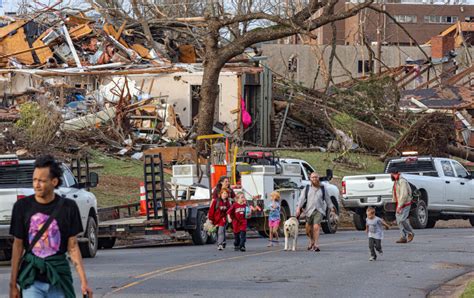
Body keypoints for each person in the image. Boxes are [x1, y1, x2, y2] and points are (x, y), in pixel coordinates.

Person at [9, 155, 93, 298]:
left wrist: (84, 282)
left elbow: (72, 247)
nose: (36, 185)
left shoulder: (68, 207)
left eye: (41, 181)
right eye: (34, 180)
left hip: (58, 278)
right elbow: (18, 246)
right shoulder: (22, 207)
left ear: (54, 182)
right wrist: (12, 285)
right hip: (31, 279)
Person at [296, 172, 336, 252]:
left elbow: (328, 199)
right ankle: (311, 240)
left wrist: (331, 207)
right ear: (310, 179)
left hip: (319, 210)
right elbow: (301, 199)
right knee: (308, 229)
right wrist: (298, 208)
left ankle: (316, 244)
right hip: (308, 211)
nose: (314, 179)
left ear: (318, 178)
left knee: (316, 226)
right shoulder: (307, 188)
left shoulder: (323, 188)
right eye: (312, 177)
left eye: (316, 177)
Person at [391, 169, 415, 244]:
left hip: (405, 204)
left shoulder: (402, 181)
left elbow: (404, 195)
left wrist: (399, 206)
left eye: (394, 174)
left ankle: (410, 232)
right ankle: (403, 237)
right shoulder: (396, 182)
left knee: (402, 220)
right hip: (399, 204)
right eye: (392, 174)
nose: (393, 175)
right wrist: (394, 204)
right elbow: (395, 194)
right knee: (399, 221)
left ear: (398, 173)